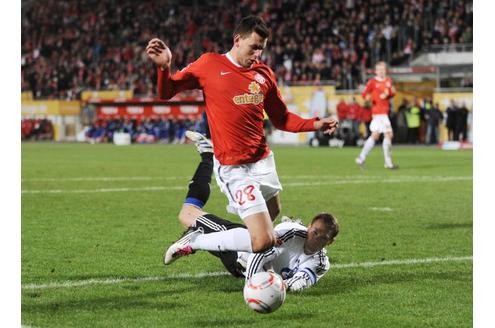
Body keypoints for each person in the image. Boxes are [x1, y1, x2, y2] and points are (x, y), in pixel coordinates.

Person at [146, 16, 338, 257]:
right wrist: (164, 68)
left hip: (262, 160)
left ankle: (245, 260)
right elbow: (167, 92)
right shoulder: (209, 64)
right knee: (263, 241)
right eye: (254, 46)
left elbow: (282, 119)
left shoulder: (264, 74)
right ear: (238, 40)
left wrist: (316, 124)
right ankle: (196, 240)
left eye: (262, 48)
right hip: (234, 166)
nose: (257, 53)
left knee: (273, 211)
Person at [165, 131, 340, 292]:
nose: (315, 238)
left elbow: (302, 280)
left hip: (239, 261)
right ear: (309, 227)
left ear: (330, 242)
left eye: (322, 237)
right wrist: (253, 286)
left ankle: (208, 157)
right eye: (315, 232)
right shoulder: (293, 233)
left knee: (189, 213)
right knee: (187, 214)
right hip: (242, 248)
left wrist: (281, 286)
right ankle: (196, 237)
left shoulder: (320, 262)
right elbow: (263, 251)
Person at [355, 61, 398, 169]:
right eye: (379, 69)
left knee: (375, 135)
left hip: (384, 112)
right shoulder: (372, 82)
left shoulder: (388, 81)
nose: (381, 71)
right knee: (388, 135)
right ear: (375, 71)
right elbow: (365, 94)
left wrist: (389, 93)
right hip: (379, 112)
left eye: (383, 69)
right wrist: (371, 98)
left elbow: (392, 92)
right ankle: (388, 163)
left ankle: (361, 157)